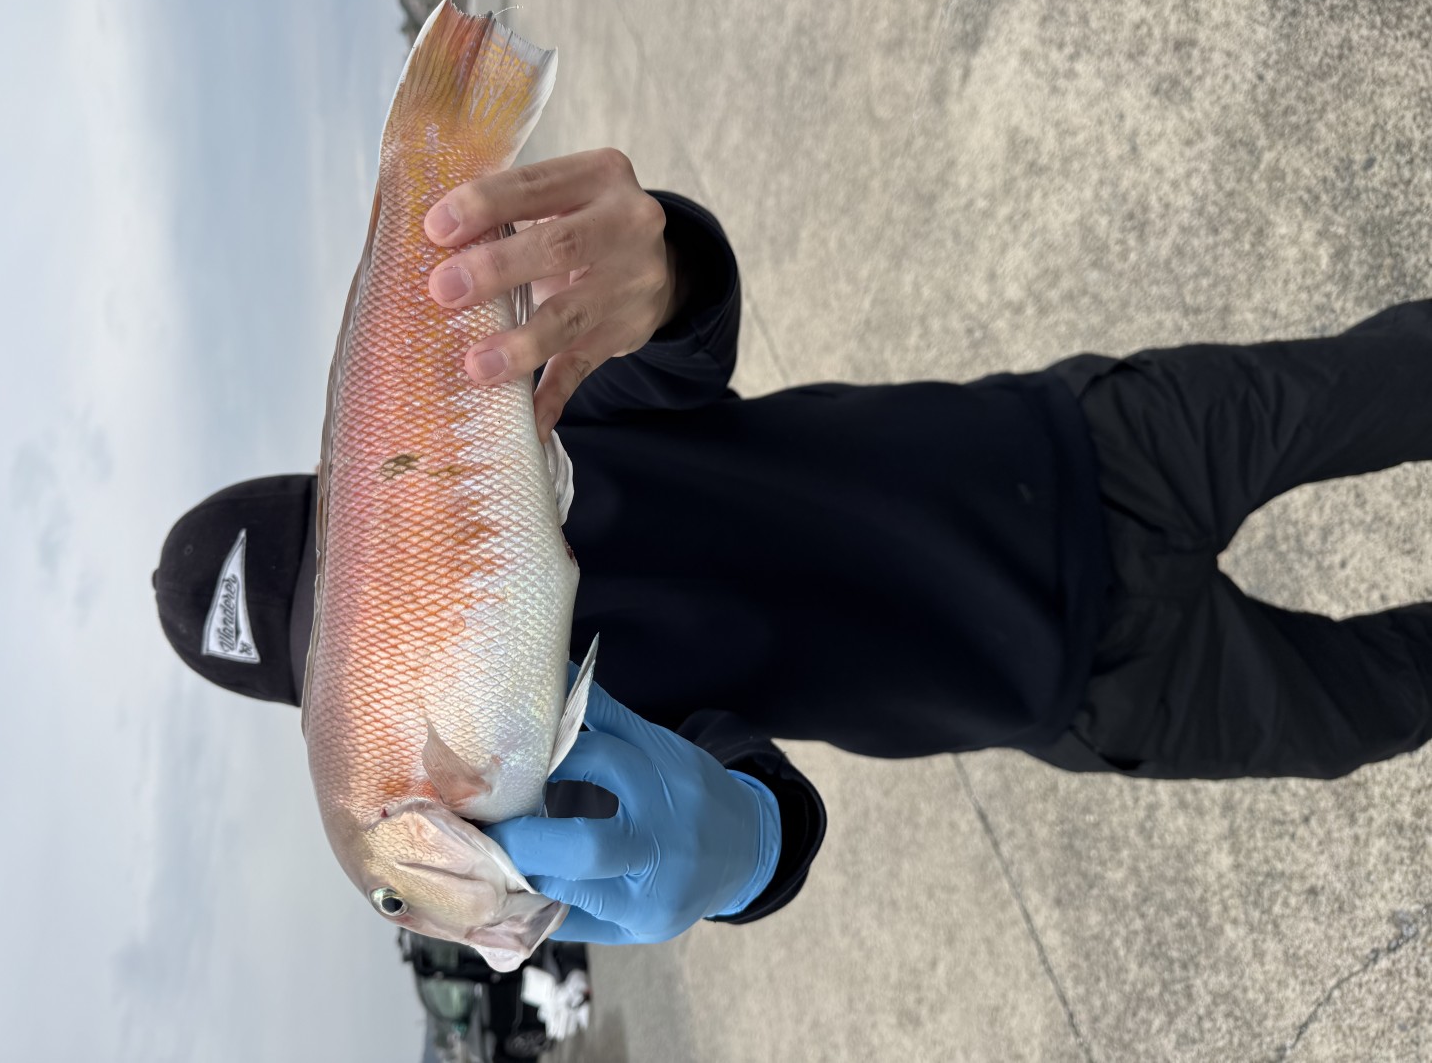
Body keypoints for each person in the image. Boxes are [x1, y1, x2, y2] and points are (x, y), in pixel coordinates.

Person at [154, 147, 1432, 950]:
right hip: (1097, 689)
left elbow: (682, 340)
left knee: (1400, 375)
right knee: (1391, 701)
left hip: (1090, 443)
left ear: (368, 473)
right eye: (345, 651)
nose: (386, 613)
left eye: (355, 556)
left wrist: (664, 261)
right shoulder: (530, 777)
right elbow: (763, 810)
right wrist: (738, 853)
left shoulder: (546, 417)